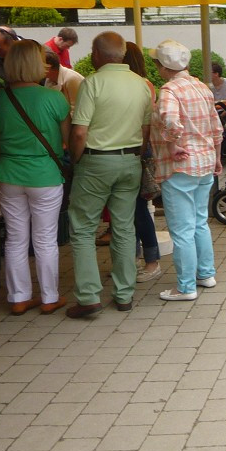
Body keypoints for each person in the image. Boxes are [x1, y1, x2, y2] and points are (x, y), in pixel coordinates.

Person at [65, 32, 153, 318]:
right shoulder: (141, 85)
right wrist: (136, 158)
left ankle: (89, 297)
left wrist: (75, 160)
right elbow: (145, 130)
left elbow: (79, 131)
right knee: (125, 228)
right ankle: (124, 294)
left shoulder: (93, 82)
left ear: (98, 54)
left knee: (82, 229)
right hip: (130, 161)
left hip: (96, 161)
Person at [0, 40, 70, 315]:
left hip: (8, 174)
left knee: (15, 238)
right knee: (45, 238)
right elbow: (66, 141)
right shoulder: (55, 98)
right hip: (45, 174)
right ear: (38, 64)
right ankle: (49, 297)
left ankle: (19, 297)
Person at [149, 40, 223, 301]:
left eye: (157, 62)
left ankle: (185, 287)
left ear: (163, 66)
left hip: (179, 167)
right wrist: (217, 158)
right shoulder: (202, 87)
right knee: (200, 222)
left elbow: (170, 120)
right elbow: (217, 128)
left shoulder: (169, 90)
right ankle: (206, 274)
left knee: (181, 230)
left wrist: (175, 143)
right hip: (205, 162)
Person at [124, 42, 162, 283]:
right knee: (129, 210)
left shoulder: (141, 86)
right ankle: (134, 258)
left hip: (137, 150)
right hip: (139, 149)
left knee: (137, 209)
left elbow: (144, 123)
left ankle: (150, 260)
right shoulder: (147, 85)